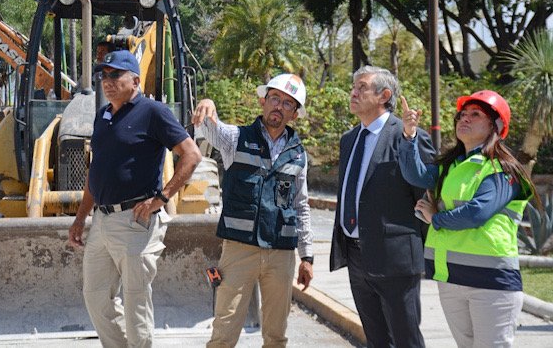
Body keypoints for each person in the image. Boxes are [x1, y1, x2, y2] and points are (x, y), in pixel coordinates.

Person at [68, 49, 202, 348]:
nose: (108, 81)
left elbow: (192, 155)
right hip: (101, 222)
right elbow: (96, 171)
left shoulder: (153, 112)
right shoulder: (103, 117)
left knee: (135, 305)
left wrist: (162, 197)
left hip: (134, 222)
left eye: (116, 75)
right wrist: (80, 218)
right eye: (104, 75)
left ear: (136, 81)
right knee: (95, 295)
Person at [399, 90, 539, 347]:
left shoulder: (503, 169)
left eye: (475, 114)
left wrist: (436, 218)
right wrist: (409, 135)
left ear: (495, 126)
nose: (465, 118)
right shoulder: (451, 166)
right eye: (462, 114)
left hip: (492, 283)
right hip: (452, 278)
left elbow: (477, 212)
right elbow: (415, 175)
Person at [192, 74, 314, 348]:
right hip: (239, 250)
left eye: (287, 103)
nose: (279, 107)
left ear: (294, 114)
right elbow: (208, 127)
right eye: (274, 99)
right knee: (223, 334)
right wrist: (207, 102)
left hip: (281, 254)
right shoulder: (236, 139)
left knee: (276, 336)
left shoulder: (298, 155)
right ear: (263, 101)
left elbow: (300, 205)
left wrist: (307, 256)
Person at [330, 65, 435, 348]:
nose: (353, 92)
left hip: (395, 259)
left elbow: (425, 194)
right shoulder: (349, 139)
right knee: (376, 340)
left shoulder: (407, 135)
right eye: (353, 86)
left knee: (405, 339)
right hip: (356, 256)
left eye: (361, 87)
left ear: (384, 95)